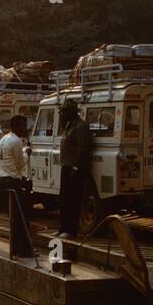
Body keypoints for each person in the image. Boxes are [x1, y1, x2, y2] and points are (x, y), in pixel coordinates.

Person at [0, 114, 33, 255]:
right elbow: (20, 163)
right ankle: (23, 249)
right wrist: (27, 153)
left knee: (14, 217)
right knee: (22, 218)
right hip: (12, 181)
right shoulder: (17, 141)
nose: (26, 129)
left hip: (2, 179)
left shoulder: (4, 139)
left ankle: (16, 248)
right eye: (24, 126)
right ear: (17, 127)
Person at [58, 98, 93, 236]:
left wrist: (76, 168)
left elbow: (83, 150)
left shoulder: (80, 127)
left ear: (71, 112)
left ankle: (71, 229)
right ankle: (64, 227)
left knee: (73, 199)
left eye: (64, 112)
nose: (62, 115)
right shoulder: (69, 125)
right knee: (64, 199)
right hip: (66, 165)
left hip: (74, 167)